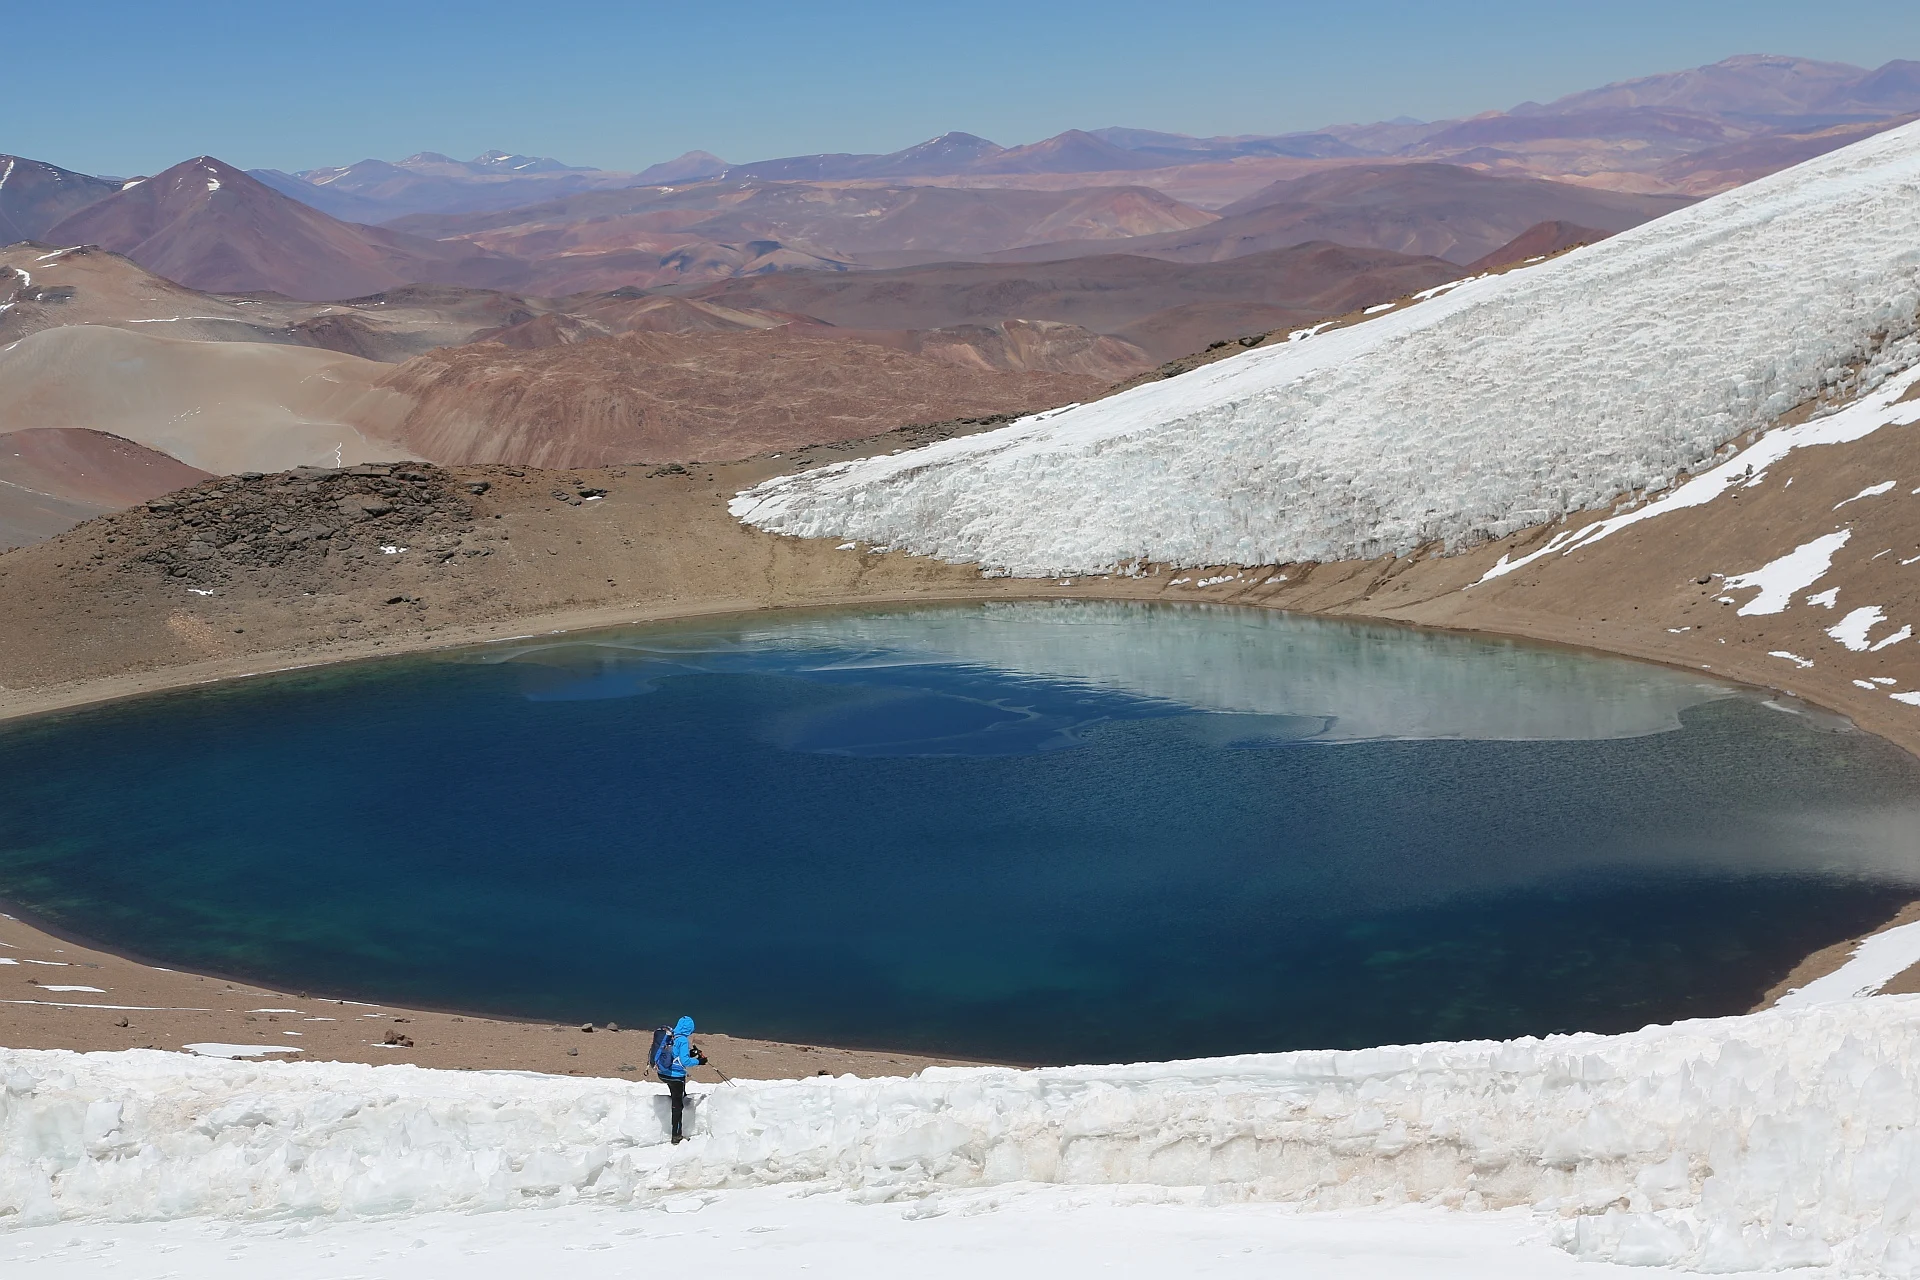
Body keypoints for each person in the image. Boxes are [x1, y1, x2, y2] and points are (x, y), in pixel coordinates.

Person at [654, 1014, 707, 1143]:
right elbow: (685, 1061)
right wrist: (699, 1061)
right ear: (689, 1029)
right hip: (676, 1077)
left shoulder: (672, 1036)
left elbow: (675, 1055)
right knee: (677, 1105)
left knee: (678, 1096)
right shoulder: (683, 1040)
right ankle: (676, 1136)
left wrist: (691, 1053)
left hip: (663, 1073)